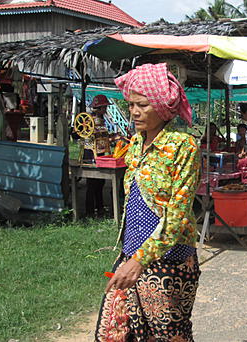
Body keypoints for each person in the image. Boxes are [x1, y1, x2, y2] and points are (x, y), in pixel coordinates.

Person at [96, 63, 201, 342]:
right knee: (115, 332)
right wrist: (131, 258)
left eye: (142, 105)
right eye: (131, 105)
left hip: (169, 260)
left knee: (168, 336)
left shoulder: (183, 146)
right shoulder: (135, 143)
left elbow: (176, 216)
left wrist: (140, 261)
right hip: (131, 254)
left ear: (162, 107)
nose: (134, 112)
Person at [85, 94, 111, 217]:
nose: (106, 109)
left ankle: (99, 207)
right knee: (92, 183)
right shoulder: (90, 120)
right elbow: (96, 135)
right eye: (105, 107)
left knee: (100, 183)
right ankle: (90, 211)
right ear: (99, 108)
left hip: (99, 154)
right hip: (90, 155)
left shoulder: (101, 119)